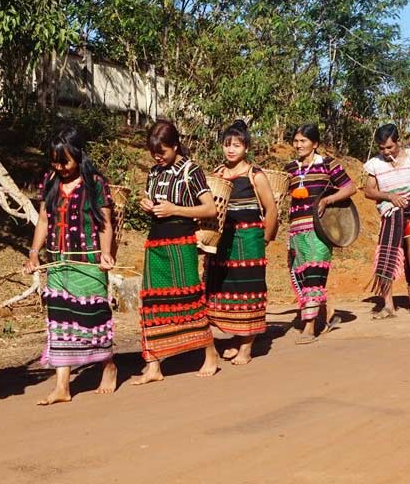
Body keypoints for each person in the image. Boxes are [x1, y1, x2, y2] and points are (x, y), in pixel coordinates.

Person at [24, 125, 117, 405]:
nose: (60, 166)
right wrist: (33, 252)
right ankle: (62, 385)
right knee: (60, 322)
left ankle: (107, 365)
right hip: (58, 262)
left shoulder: (95, 182)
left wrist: (105, 254)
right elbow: (43, 220)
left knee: (93, 318)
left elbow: (105, 223)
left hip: (88, 261)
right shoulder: (50, 180)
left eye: (65, 160)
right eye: (55, 160)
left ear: (78, 155)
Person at [135, 119, 220, 384]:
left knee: (189, 298)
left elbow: (210, 209)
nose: (157, 157)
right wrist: (147, 205)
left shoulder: (190, 170)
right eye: (154, 153)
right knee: (152, 302)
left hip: (181, 242)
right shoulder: (154, 172)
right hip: (155, 242)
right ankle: (153, 365)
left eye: (162, 152)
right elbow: (153, 200)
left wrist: (175, 209)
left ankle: (210, 353)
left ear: (175, 146)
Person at [204, 121, 278, 364]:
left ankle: (247, 346)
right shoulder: (217, 174)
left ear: (246, 147)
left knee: (248, 291)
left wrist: (264, 238)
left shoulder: (255, 175)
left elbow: (271, 210)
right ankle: (236, 338)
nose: (231, 149)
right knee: (225, 289)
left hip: (249, 239)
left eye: (236, 145)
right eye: (227, 144)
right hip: (223, 242)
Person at [283, 124, 356, 341]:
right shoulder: (290, 168)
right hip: (296, 230)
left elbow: (350, 187)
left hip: (319, 231)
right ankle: (329, 314)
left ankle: (309, 327)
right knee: (302, 276)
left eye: (303, 141)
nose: (298, 145)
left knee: (314, 276)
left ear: (314, 144)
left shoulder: (327, 164)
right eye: (296, 141)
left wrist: (328, 199)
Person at [363, 124, 410, 318]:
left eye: (390, 147)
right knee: (385, 261)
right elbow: (368, 191)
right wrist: (389, 197)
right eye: (382, 148)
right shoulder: (375, 164)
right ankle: (388, 306)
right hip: (390, 216)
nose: (386, 152)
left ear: (398, 142)